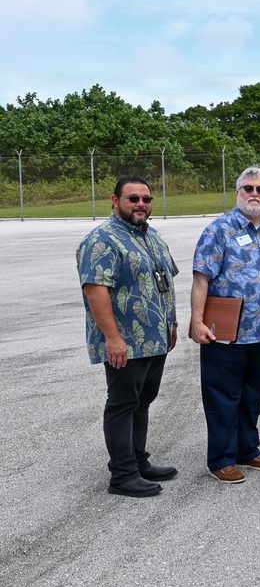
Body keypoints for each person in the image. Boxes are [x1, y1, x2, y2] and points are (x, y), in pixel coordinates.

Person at [77, 176, 180, 498]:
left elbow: (165, 282)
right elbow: (96, 291)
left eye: (146, 199)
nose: (141, 204)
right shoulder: (103, 240)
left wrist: (172, 324)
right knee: (122, 403)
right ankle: (122, 475)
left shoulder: (151, 236)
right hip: (126, 342)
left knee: (142, 401)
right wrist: (113, 339)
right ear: (115, 200)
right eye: (133, 198)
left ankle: (138, 461)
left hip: (154, 338)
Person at [190, 166, 260, 485]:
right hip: (226, 333)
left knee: (255, 394)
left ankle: (247, 449)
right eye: (248, 188)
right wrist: (196, 320)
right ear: (238, 193)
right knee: (222, 396)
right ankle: (221, 458)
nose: (254, 194)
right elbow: (201, 278)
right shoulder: (219, 229)